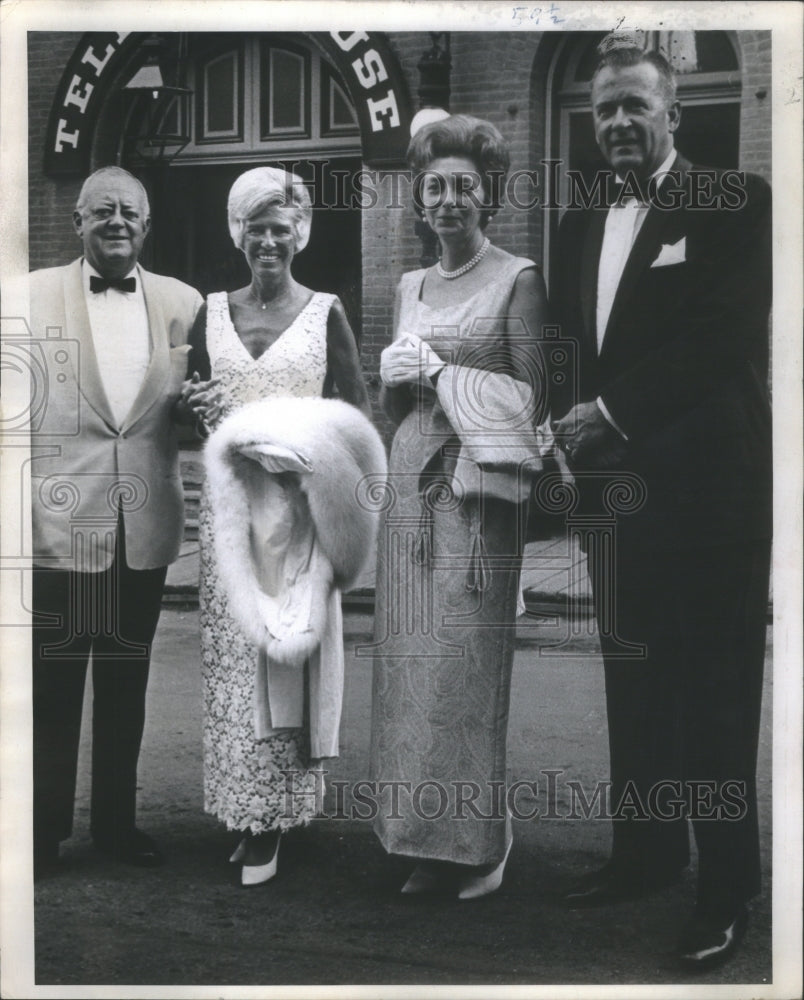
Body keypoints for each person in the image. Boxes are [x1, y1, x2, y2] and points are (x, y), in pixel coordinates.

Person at [550, 42, 772, 969]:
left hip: (711, 494)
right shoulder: (576, 219)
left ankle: (728, 888)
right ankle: (643, 853)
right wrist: (558, 426)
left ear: (674, 115)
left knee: (713, 693)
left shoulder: (737, 202)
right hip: (614, 495)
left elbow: (724, 335)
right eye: (605, 111)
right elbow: (567, 340)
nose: (619, 124)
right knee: (633, 678)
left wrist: (608, 412)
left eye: (637, 106)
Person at [369, 115, 549, 899]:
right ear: (419, 199)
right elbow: (390, 404)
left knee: (464, 669)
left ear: (488, 197)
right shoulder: (408, 284)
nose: (448, 200)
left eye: (463, 188)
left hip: (478, 496)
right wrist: (391, 376)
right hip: (412, 485)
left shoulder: (519, 277)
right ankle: (416, 838)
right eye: (435, 187)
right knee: (409, 671)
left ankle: (481, 844)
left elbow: (535, 396)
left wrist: (443, 370)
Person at [177, 166, 371, 887]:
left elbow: (355, 417)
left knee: (283, 662)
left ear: (301, 234)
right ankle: (244, 809)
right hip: (228, 519)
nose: (268, 240)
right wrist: (191, 404)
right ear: (238, 233)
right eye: (254, 226)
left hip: (297, 521)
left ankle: (275, 823)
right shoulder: (211, 312)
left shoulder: (326, 313)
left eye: (280, 227)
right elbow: (188, 409)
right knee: (233, 669)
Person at [29, 166, 203, 876]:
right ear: (77, 221)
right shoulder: (27, 296)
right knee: (54, 687)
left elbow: (193, 407)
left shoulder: (184, 304)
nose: (117, 222)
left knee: (126, 685)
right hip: (60, 525)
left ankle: (116, 828)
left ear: (147, 223)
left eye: (130, 211)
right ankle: (40, 834)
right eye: (102, 211)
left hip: (144, 525)